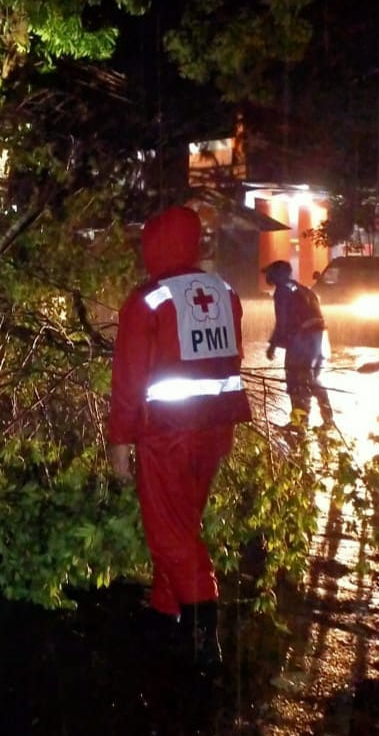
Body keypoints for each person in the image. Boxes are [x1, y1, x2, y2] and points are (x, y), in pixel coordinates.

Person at [108, 205, 252, 674]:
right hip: (216, 429)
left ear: (154, 244)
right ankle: (166, 612)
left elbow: (128, 379)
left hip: (168, 432)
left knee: (170, 534)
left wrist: (119, 440)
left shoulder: (149, 299)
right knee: (182, 523)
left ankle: (203, 640)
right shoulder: (225, 291)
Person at [263, 259, 334, 434]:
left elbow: (282, 322)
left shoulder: (282, 291)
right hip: (320, 337)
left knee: (296, 378)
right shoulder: (303, 289)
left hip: (303, 339)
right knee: (311, 377)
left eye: (271, 273)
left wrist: (272, 346)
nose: (268, 277)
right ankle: (327, 418)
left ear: (280, 274)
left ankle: (299, 423)